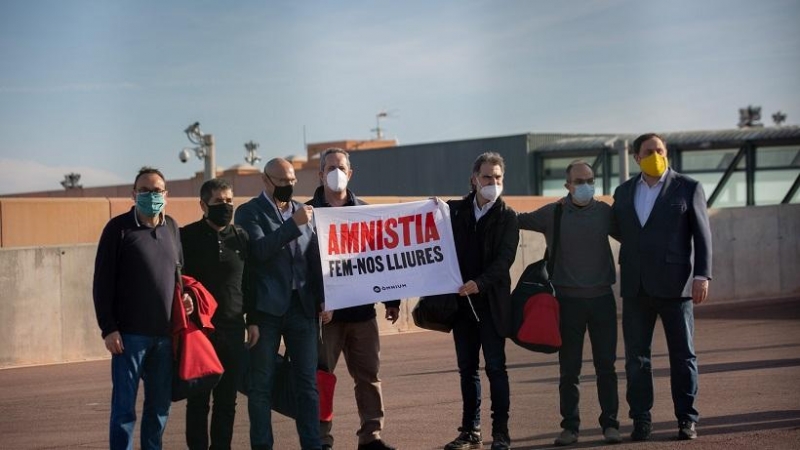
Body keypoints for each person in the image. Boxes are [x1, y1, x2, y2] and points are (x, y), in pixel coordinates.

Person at [611, 133, 712, 441]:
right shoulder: (624, 190)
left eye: (660, 150)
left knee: (683, 355)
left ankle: (686, 418)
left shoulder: (688, 187)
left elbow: (702, 235)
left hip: (676, 286)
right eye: (649, 151)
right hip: (636, 287)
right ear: (636, 158)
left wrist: (702, 275)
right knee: (636, 358)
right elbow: (619, 229)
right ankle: (641, 419)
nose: (656, 154)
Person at [517, 161, 621, 446]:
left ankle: (611, 424)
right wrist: (485, 203)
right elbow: (517, 220)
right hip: (567, 302)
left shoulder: (605, 213)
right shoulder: (554, 213)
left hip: (602, 300)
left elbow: (633, 234)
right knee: (569, 370)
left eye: (589, 180)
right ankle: (570, 427)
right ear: (567, 186)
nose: (585, 186)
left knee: (607, 367)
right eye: (579, 181)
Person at [93, 166, 193, 450]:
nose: (151, 195)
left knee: (159, 409)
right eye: (145, 191)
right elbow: (102, 283)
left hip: (164, 337)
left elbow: (178, 275)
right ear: (134, 194)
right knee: (124, 410)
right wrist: (108, 328)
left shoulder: (172, 227)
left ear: (166, 194)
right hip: (129, 339)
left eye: (157, 190)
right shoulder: (118, 229)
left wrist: (184, 299)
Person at [306, 148, 400, 450]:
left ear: (350, 172)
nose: (336, 172)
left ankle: (371, 437)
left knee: (369, 378)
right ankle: (321, 440)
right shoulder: (307, 215)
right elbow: (301, 266)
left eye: (341, 166)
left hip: (362, 315)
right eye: (330, 167)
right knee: (321, 381)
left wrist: (392, 300)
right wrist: (319, 300)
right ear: (320, 174)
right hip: (326, 318)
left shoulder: (368, 214)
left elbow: (383, 260)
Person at [234, 158, 323, 450]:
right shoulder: (249, 212)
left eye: (292, 181)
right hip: (267, 312)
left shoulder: (302, 211)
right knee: (261, 387)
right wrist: (293, 227)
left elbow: (313, 259)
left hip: (303, 308)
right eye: (282, 182)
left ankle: (313, 444)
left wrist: (324, 299)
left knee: (308, 387)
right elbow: (258, 251)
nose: (288, 186)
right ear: (266, 180)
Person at [443, 152, 519, 450]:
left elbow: (505, 260)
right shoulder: (454, 211)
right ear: (474, 179)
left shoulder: (507, 216)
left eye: (498, 177)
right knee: (467, 369)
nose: (493, 182)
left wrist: (480, 283)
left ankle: (501, 432)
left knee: (496, 368)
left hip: (492, 305)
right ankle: (470, 430)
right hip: (462, 307)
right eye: (488, 177)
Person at [180, 178, 251, 450]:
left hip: (234, 329)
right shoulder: (186, 237)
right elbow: (178, 280)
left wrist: (252, 321)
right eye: (219, 202)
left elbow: (250, 283)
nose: (225, 207)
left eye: (229, 201)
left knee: (227, 401)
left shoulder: (241, 237)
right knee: (198, 400)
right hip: (199, 331)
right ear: (203, 205)